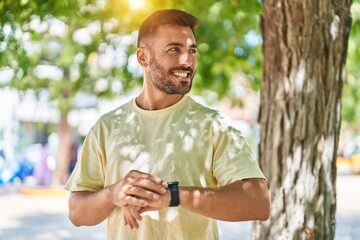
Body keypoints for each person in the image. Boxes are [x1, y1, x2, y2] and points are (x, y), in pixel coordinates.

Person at [65, 9, 270, 240]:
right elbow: (77, 212)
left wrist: (173, 195)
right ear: (143, 57)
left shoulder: (215, 126)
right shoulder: (107, 127)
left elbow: (258, 203)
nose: (187, 61)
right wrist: (114, 194)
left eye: (192, 51)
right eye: (174, 49)